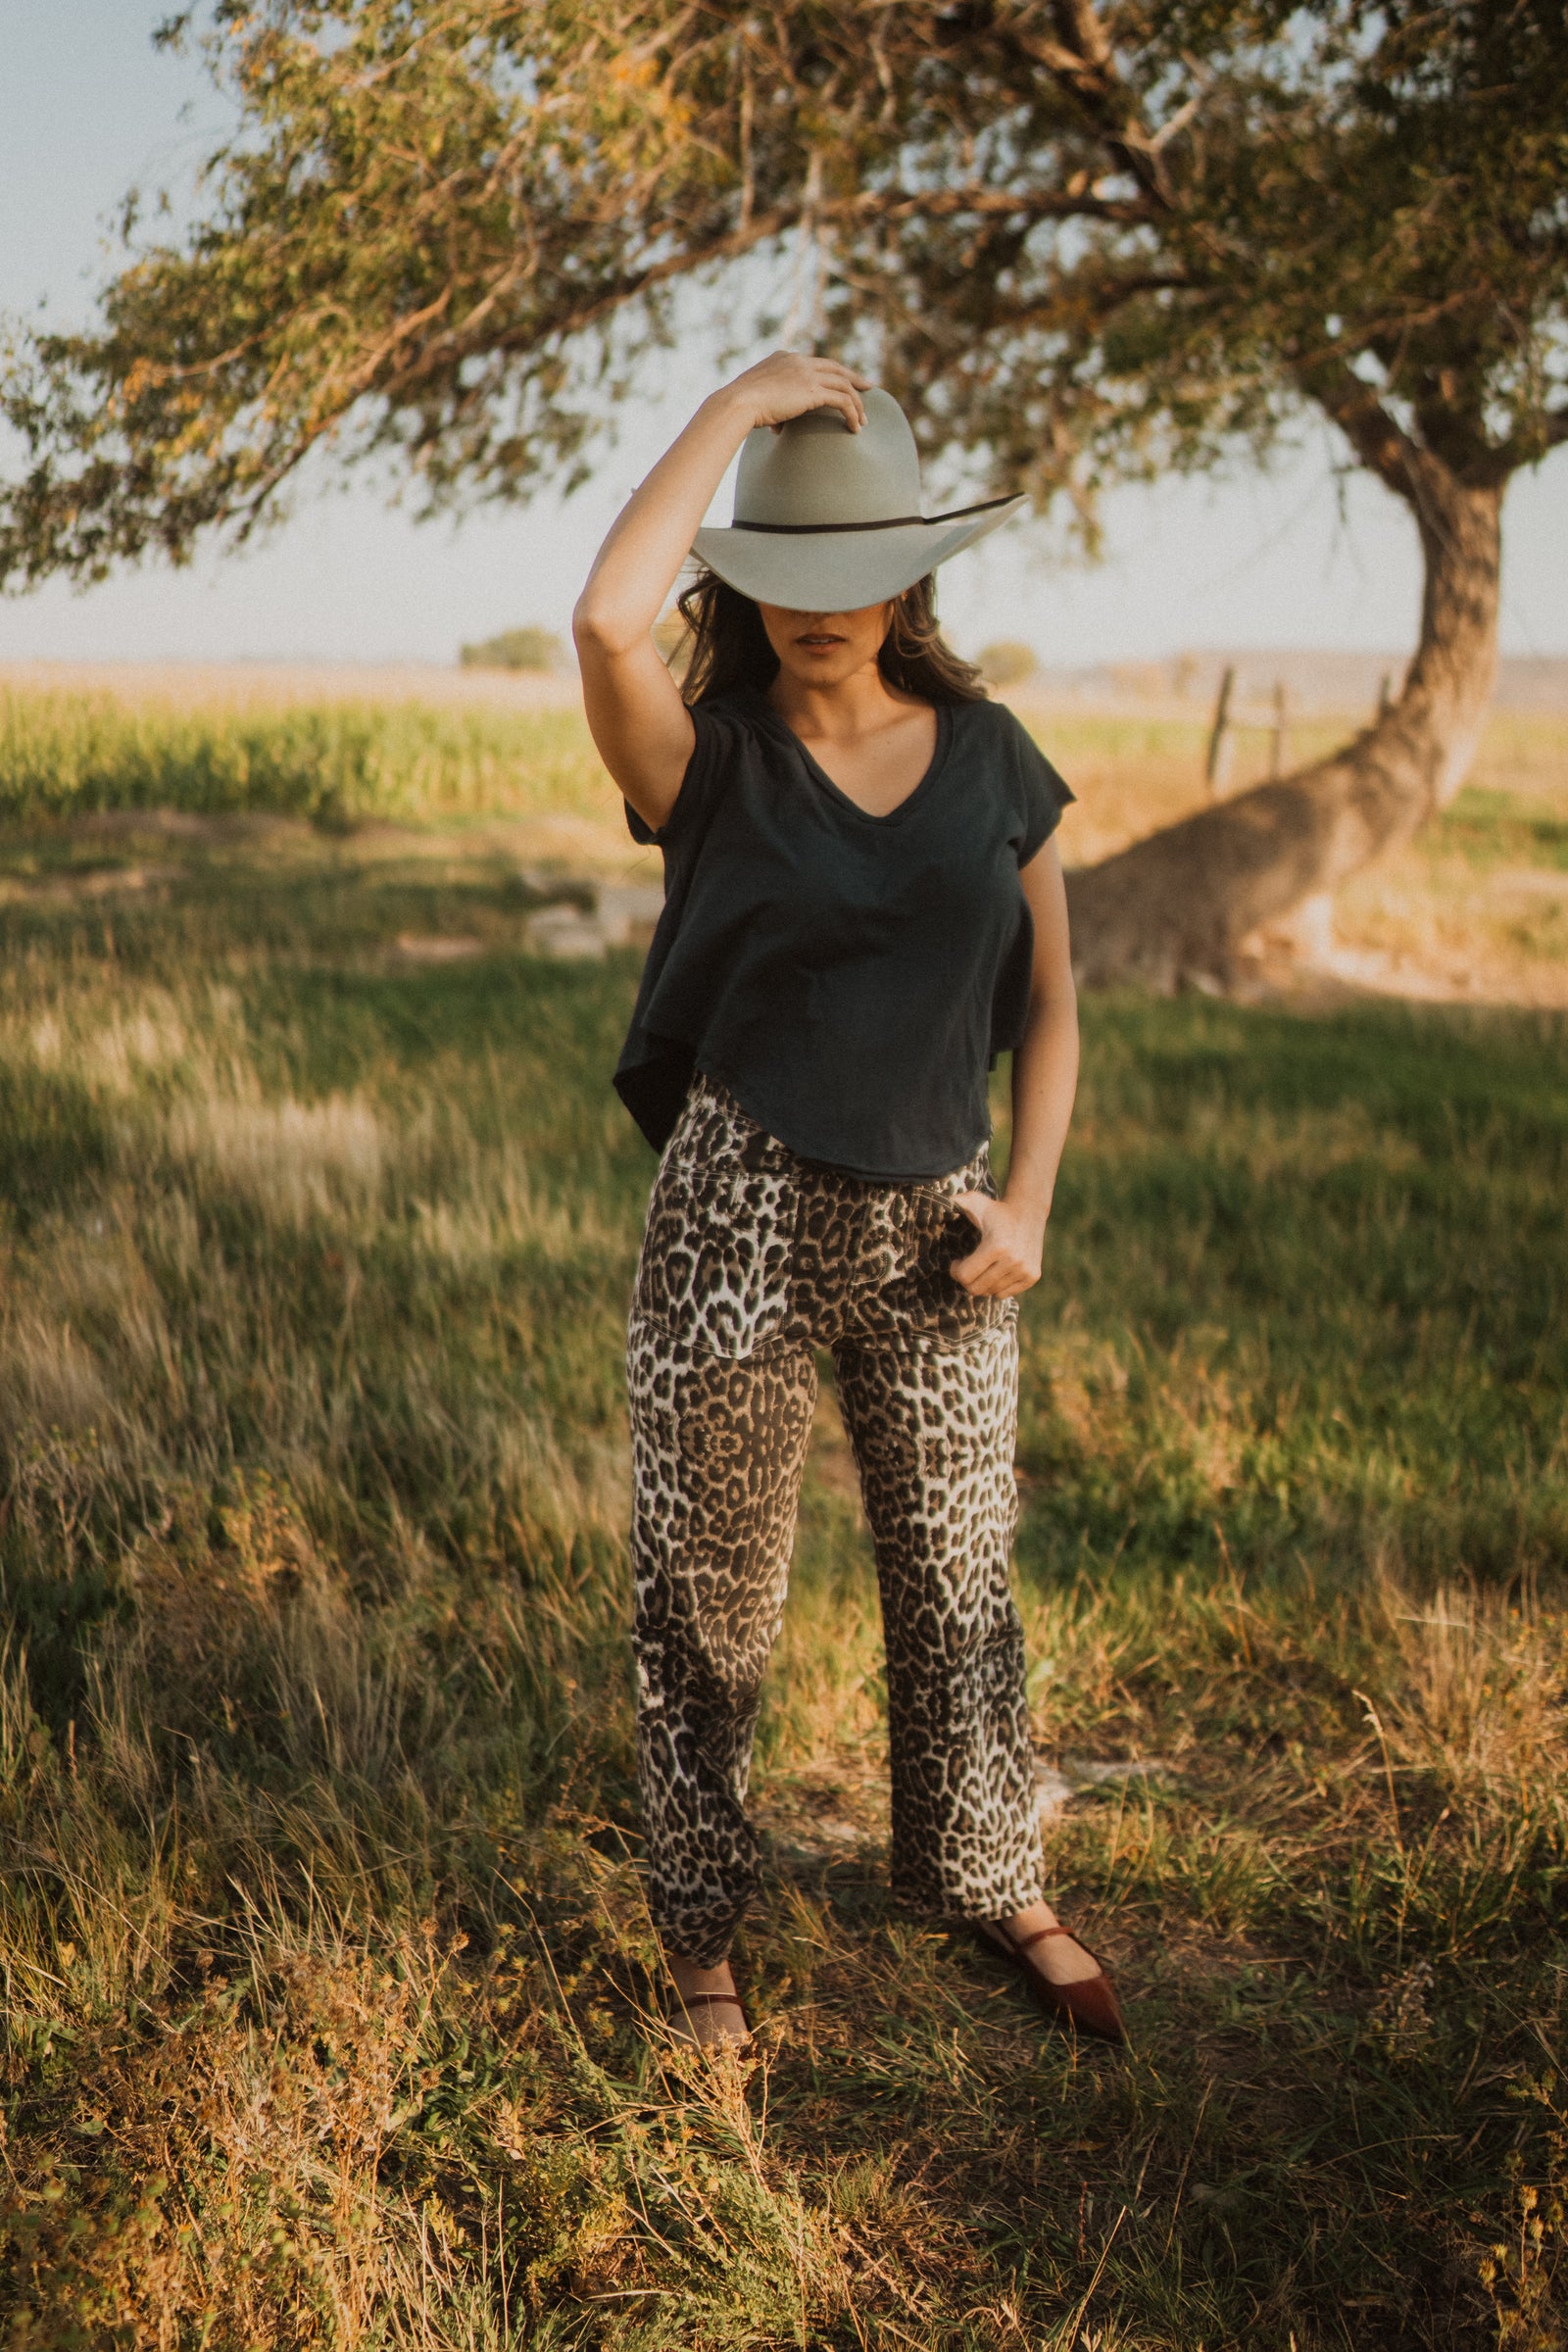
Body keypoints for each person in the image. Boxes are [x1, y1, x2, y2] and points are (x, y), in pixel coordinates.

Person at [572, 352, 1124, 2053]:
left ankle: (991, 1875)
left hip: (941, 1228)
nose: (822, 609)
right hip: (736, 1211)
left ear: (910, 577)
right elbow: (604, 623)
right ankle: (705, 1945)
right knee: (708, 1596)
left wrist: (1027, 1202)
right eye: (784, 575)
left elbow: (1055, 1000)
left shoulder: (994, 754)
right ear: (745, 586)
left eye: (856, 571)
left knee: (962, 1574)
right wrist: (736, 407)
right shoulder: (710, 763)